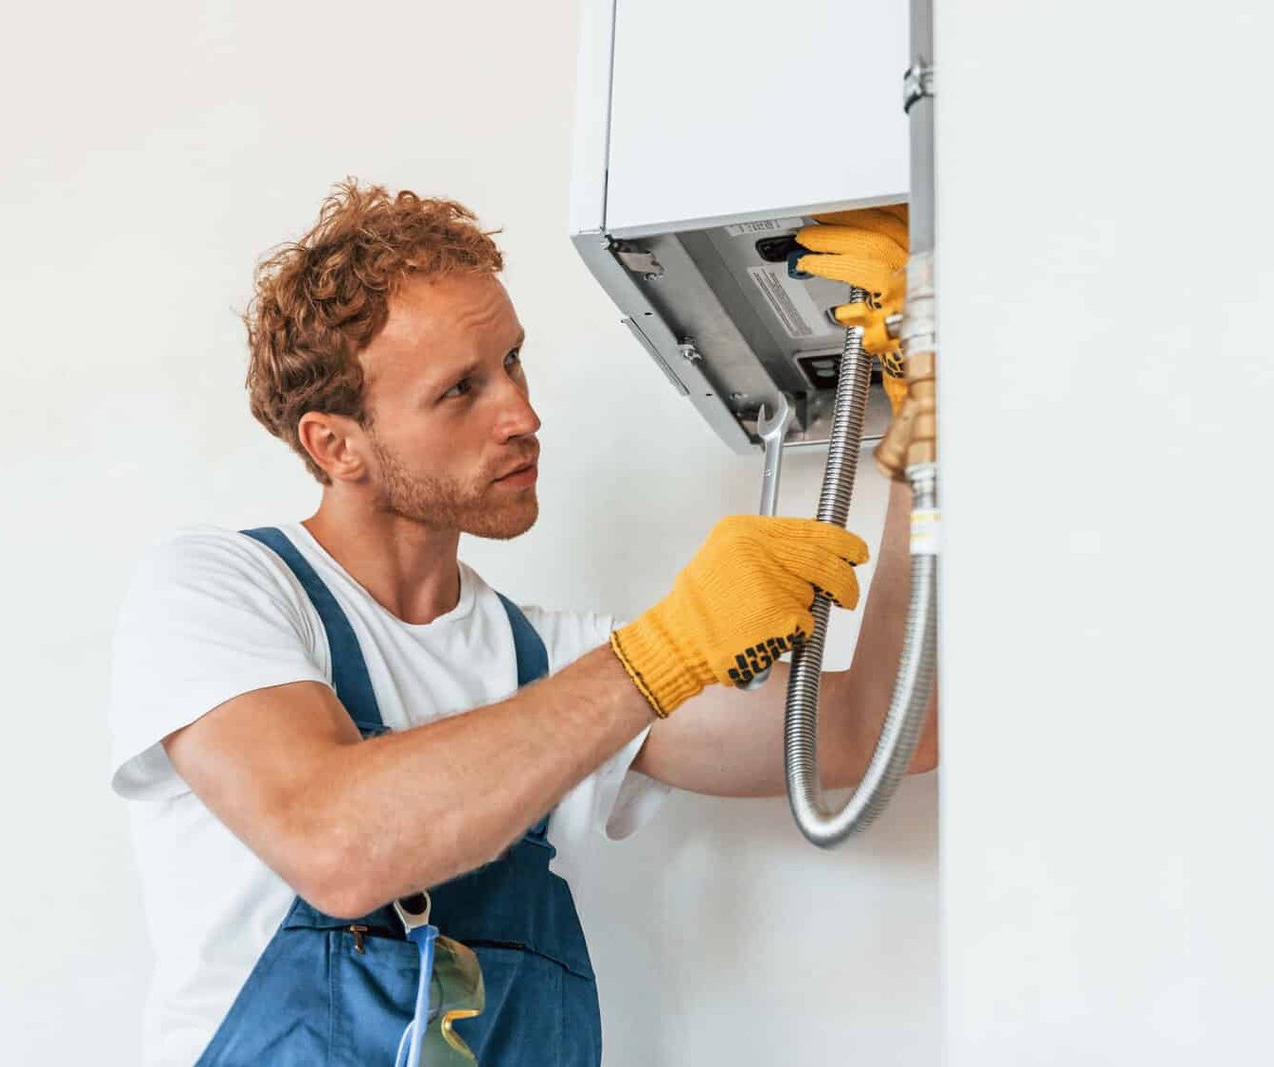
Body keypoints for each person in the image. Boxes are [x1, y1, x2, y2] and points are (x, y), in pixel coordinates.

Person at [107, 180, 938, 1066]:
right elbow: (336, 844)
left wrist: (922, 437)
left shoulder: (549, 662)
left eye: (513, 361)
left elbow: (878, 730)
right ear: (334, 445)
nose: (522, 415)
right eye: (460, 389)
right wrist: (660, 655)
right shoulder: (218, 591)